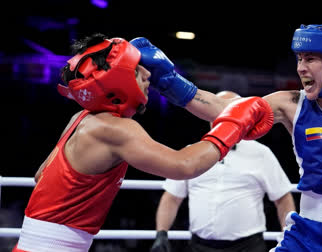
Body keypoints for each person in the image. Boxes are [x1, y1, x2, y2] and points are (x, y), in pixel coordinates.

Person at [130, 23, 322, 252]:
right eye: (299, 58)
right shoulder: (291, 104)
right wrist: (169, 82)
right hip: (310, 235)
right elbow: (226, 109)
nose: (300, 68)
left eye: (310, 58)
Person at [12, 33, 274, 252]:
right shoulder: (115, 129)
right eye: (137, 70)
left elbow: (41, 175)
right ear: (118, 81)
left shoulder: (80, 119)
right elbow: (184, 166)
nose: (148, 75)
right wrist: (232, 125)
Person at [150, 91, 296, 252]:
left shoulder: (261, 154)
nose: (226, 118)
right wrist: (161, 233)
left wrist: (288, 235)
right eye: (220, 112)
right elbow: (171, 198)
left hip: (248, 247)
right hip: (199, 246)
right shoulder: (191, 153)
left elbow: (283, 198)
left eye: (232, 112)